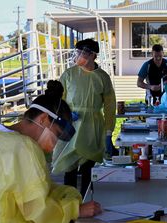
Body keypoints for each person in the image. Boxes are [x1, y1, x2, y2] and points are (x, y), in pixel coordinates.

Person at [0, 80, 102, 223]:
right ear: (43, 119)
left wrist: (66, 193)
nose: (54, 144)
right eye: (56, 134)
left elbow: (30, 188)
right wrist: (75, 210)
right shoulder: (24, 147)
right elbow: (37, 210)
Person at [51, 39, 116, 197]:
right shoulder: (69, 74)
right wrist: (64, 114)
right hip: (71, 125)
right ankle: (70, 203)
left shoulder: (102, 77)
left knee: (88, 168)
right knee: (69, 167)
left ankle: (87, 202)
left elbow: (109, 106)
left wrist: (108, 132)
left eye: (83, 53)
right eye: (77, 52)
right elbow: (58, 99)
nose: (79, 55)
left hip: (92, 127)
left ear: (93, 55)